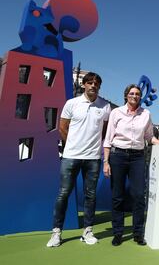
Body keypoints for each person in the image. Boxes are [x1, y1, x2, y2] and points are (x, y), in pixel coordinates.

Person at [46, 72, 111, 247]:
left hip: (93, 158)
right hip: (71, 156)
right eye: (89, 82)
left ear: (99, 86)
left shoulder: (105, 107)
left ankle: (87, 231)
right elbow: (62, 128)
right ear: (83, 85)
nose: (93, 85)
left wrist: (92, 147)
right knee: (63, 194)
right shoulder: (71, 103)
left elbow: (104, 132)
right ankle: (56, 233)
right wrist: (74, 144)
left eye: (96, 83)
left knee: (90, 196)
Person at [103, 84, 159, 246]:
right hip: (117, 155)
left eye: (138, 94)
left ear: (141, 97)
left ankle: (138, 233)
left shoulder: (146, 114)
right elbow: (108, 138)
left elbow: (149, 137)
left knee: (139, 196)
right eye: (132, 93)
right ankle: (118, 233)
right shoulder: (116, 112)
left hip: (138, 158)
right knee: (117, 196)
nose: (135, 96)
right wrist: (106, 162)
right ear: (126, 95)